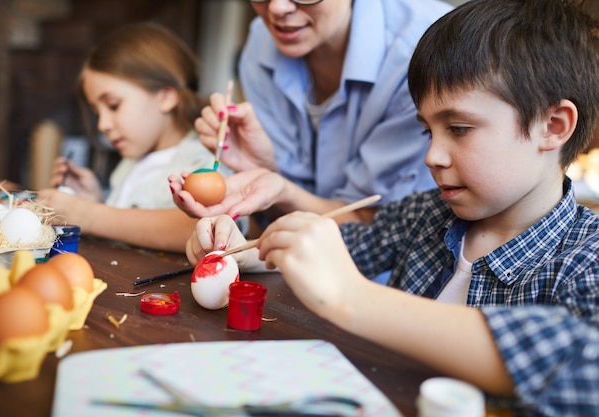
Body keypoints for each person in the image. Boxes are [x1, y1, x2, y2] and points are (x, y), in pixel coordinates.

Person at [185, 0, 599, 414]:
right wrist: (243, 250)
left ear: (553, 126)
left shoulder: (585, 257)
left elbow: (585, 361)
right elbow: (332, 246)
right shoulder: (424, 216)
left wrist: (354, 298)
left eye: (458, 129)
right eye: (427, 131)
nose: (432, 155)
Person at [169, 0, 452, 229]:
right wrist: (264, 169)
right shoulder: (262, 41)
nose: (278, 8)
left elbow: (370, 223)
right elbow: (287, 212)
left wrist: (277, 187)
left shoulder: (420, 54)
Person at [38, 23, 219, 252]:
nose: (102, 125)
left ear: (165, 97)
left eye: (114, 105)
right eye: (97, 112)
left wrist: (88, 214)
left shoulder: (202, 160)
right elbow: (127, 229)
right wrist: (95, 201)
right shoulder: (131, 163)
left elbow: (199, 228)